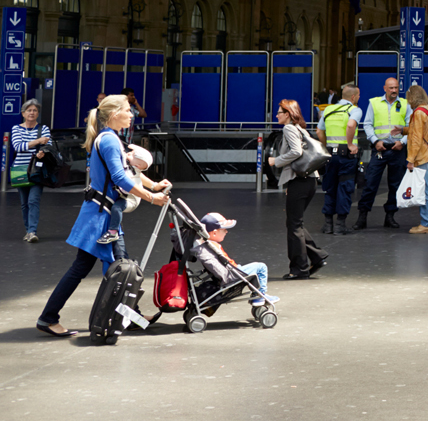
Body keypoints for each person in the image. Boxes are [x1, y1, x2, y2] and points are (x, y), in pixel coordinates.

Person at [36, 95, 171, 337]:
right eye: (128, 110)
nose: (132, 114)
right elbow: (120, 178)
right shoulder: (109, 140)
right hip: (101, 216)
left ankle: (130, 315)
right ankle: (50, 318)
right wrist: (153, 199)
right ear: (114, 113)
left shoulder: (110, 139)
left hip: (100, 214)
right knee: (120, 267)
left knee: (114, 266)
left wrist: (153, 186)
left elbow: (129, 172)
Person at [268, 99, 327, 280]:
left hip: (300, 181)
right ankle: (316, 256)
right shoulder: (300, 128)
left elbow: (296, 152)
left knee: (294, 225)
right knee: (296, 223)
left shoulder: (288, 128)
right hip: (307, 181)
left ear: (287, 114)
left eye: (279, 112)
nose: (276, 115)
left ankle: (299, 269)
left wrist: (275, 161)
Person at [356, 78, 409, 229]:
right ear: (384, 88)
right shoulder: (374, 103)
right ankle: (362, 215)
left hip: (397, 148)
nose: (394, 90)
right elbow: (368, 124)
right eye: (391, 88)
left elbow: (410, 126)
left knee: (395, 185)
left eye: (396, 88)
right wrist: (375, 141)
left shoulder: (405, 104)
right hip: (380, 148)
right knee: (371, 182)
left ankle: (390, 216)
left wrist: (402, 142)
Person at [194, 212, 278, 307]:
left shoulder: (205, 245)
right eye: (224, 230)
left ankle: (258, 294)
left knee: (253, 270)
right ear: (214, 232)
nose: (226, 232)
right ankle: (259, 295)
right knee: (261, 267)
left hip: (230, 272)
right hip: (232, 274)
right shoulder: (213, 246)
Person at [318, 84, 360, 236]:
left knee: (330, 187)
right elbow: (350, 125)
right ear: (353, 97)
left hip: (330, 155)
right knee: (344, 188)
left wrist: (325, 147)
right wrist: (350, 144)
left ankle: (328, 224)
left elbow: (319, 130)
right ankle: (340, 225)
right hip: (346, 156)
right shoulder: (354, 110)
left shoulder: (328, 109)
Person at [10, 100, 51, 242]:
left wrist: (43, 151)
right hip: (20, 170)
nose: (32, 113)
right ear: (23, 113)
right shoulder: (16, 128)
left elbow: (48, 146)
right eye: (29, 110)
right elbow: (18, 147)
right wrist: (38, 141)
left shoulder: (44, 128)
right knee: (24, 203)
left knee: (33, 200)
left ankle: (32, 231)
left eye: (34, 110)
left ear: (38, 113)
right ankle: (28, 230)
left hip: (37, 170)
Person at [404, 85, 428, 234]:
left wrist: (410, 159)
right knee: (426, 189)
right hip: (427, 154)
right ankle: (427, 221)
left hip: (421, 156)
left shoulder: (418, 113)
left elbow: (417, 138)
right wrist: (403, 129)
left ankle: (427, 223)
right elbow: (421, 131)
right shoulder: (427, 109)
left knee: (424, 191)